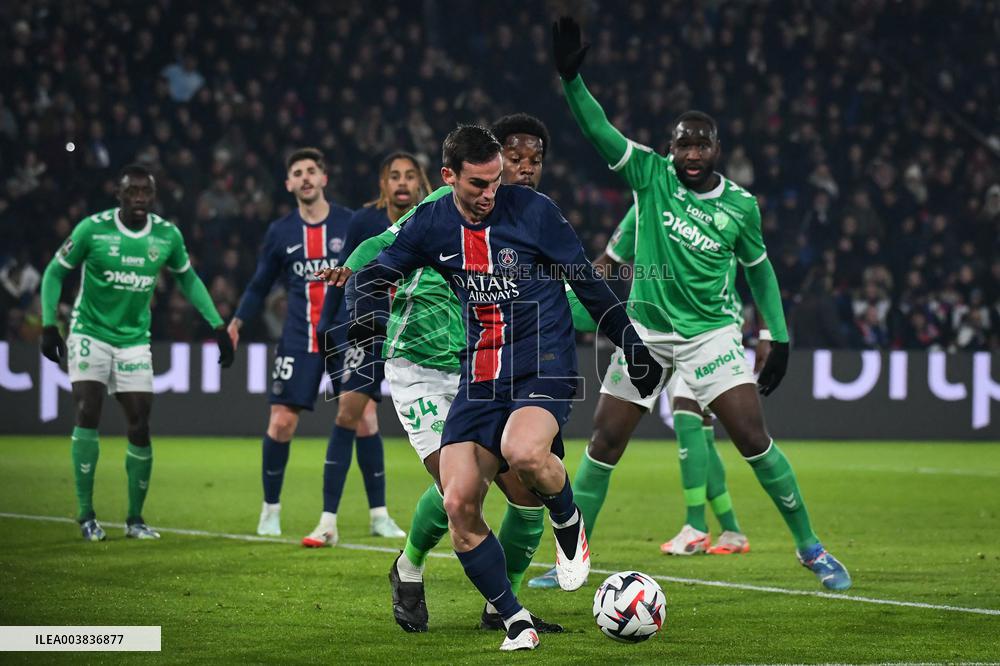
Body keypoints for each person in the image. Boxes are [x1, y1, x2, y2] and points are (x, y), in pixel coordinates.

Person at [545, 16, 851, 590]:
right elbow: (599, 130)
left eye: (701, 143)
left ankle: (811, 549)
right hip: (646, 332)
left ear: (717, 149)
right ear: (670, 148)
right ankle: (569, 559)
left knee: (753, 439)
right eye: (683, 143)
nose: (691, 152)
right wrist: (572, 81)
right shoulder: (650, 176)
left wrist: (777, 335)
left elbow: (760, 273)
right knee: (604, 441)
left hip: (711, 335)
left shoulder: (741, 206)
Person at [344, 124, 661, 651]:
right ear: (448, 177)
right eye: (478, 183)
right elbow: (381, 268)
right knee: (459, 501)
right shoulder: (433, 221)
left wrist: (631, 344)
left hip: (542, 364)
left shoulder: (535, 212)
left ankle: (568, 518)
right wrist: (366, 314)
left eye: (496, 180)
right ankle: (513, 618)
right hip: (479, 375)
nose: (491, 193)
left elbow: (586, 282)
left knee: (523, 453)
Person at [321, 115, 566, 635]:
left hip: (481, 368)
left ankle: (502, 607)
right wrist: (352, 273)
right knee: (461, 488)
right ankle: (409, 566)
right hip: (418, 365)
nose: (523, 170)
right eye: (513, 160)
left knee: (527, 496)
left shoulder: (527, 222)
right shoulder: (439, 209)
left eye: (532, 162)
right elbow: (378, 247)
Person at [39, 163, 234, 541]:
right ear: (120, 194)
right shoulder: (92, 229)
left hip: (133, 340)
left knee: (140, 422)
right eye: (132, 191)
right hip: (90, 332)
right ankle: (86, 515)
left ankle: (135, 520)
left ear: (154, 196)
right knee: (88, 408)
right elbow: (53, 273)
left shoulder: (166, 235)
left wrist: (217, 325)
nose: (139, 198)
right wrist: (49, 325)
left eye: (146, 191)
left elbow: (188, 279)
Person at [228, 148, 402, 542]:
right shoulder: (280, 232)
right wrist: (237, 321)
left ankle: (379, 515)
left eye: (311, 171)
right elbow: (260, 283)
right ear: (288, 184)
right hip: (300, 338)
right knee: (281, 422)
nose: (305, 177)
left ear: (324, 178)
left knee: (365, 417)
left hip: (347, 333)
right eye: (297, 172)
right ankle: (270, 510)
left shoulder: (349, 222)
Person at [301, 152, 431, 546]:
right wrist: (325, 328)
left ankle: (379, 516)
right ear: (383, 184)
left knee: (371, 423)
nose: (402, 183)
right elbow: (343, 273)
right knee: (350, 413)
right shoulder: (364, 222)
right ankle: (328, 521)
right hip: (368, 331)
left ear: (421, 181)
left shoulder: (436, 218)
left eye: (410, 176)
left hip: (420, 333)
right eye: (395, 176)